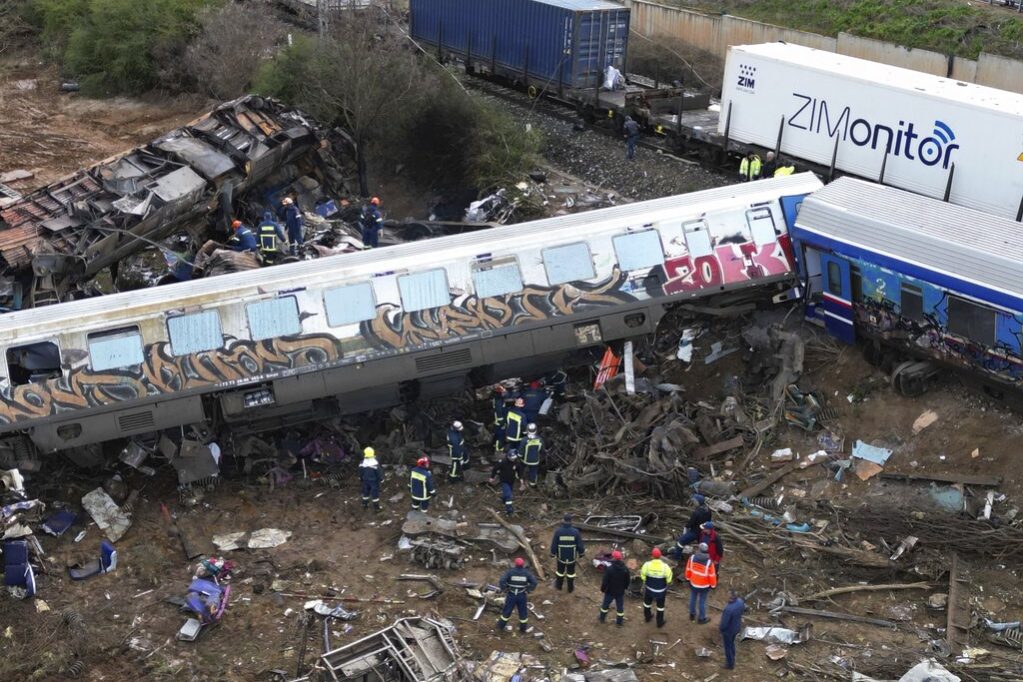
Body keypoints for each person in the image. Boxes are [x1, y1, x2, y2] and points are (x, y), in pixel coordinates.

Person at [497, 557, 537, 633]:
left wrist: (504, 589)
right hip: (522, 595)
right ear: (523, 564)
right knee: (523, 612)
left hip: (511, 594)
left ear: (515, 564)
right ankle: (523, 629)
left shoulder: (510, 572)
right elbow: (534, 582)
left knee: (507, 611)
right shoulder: (527, 573)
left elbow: (502, 580)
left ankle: (501, 626)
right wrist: (528, 590)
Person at [550, 514, 585, 592]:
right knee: (571, 573)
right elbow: (580, 544)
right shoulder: (575, 532)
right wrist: (581, 553)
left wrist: (552, 553)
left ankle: (559, 586)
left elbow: (554, 544)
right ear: (571, 521)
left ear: (563, 520)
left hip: (561, 556)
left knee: (560, 572)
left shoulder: (558, 531)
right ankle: (570, 589)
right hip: (571, 556)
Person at [640, 547, 673, 628]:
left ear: (652, 556)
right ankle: (659, 622)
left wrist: (646, 580)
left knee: (647, 604)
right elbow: (669, 579)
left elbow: (643, 576)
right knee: (660, 607)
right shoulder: (665, 567)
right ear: (660, 556)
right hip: (660, 591)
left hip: (649, 589)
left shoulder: (647, 565)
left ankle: (647, 617)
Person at [685, 542, 717, 624]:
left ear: (698, 549)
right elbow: (712, 575)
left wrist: (688, 579)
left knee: (693, 598)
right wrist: (713, 586)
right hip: (704, 586)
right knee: (702, 602)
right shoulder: (709, 562)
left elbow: (688, 569)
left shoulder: (692, 558)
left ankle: (692, 614)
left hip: (693, 583)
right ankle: (701, 618)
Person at [672, 494, 712, 559]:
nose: (693, 503)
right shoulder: (708, 510)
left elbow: (690, 524)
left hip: (695, 532)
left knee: (680, 542)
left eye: (694, 501)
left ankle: (676, 558)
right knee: (704, 547)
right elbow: (709, 521)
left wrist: (686, 528)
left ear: (698, 502)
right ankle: (705, 560)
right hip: (704, 532)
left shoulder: (696, 512)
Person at [598, 550, 630, 627]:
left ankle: (602, 618)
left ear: (614, 558)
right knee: (620, 608)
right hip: (620, 592)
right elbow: (627, 581)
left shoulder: (610, 569)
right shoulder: (625, 569)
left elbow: (605, 581)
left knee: (605, 605)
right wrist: (624, 588)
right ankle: (619, 622)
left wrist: (603, 589)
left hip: (610, 591)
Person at [489, 450, 525, 516]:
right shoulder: (503, 462)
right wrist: (492, 477)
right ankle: (509, 511)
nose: (513, 459)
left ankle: (504, 501)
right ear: (508, 457)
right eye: (512, 458)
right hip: (504, 481)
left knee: (507, 493)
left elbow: (520, 471)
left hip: (511, 481)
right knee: (509, 496)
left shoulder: (516, 462)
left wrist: (521, 480)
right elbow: (495, 469)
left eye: (514, 458)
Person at [719, 590, 746, 670]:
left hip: (728, 631)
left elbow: (724, 624)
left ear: (730, 597)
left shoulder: (728, 609)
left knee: (727, 647)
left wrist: (721, 629)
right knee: (732, 643)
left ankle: (730, 664)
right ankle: (733, 657)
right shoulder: (740, 602)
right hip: (736, 627)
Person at [522, 423, 543, 488]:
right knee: (533, 471)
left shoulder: (524, 440)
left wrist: (519, 456)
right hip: (535, 460)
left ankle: (521, 478)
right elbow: (542, 450)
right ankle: (532, 483)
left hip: (526, 460)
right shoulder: (540, 440)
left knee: (522, 467)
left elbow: (521, 450)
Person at [492, 386, 508, 454]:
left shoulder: (497, 399)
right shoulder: (498, 401)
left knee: (497, 434)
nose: (504, 393)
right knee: (501, 436)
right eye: (503, 392)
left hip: (498, 421)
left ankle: (494, 444)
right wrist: (502, 422)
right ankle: (499, 450)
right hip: (500, 422)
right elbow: (499, 412)